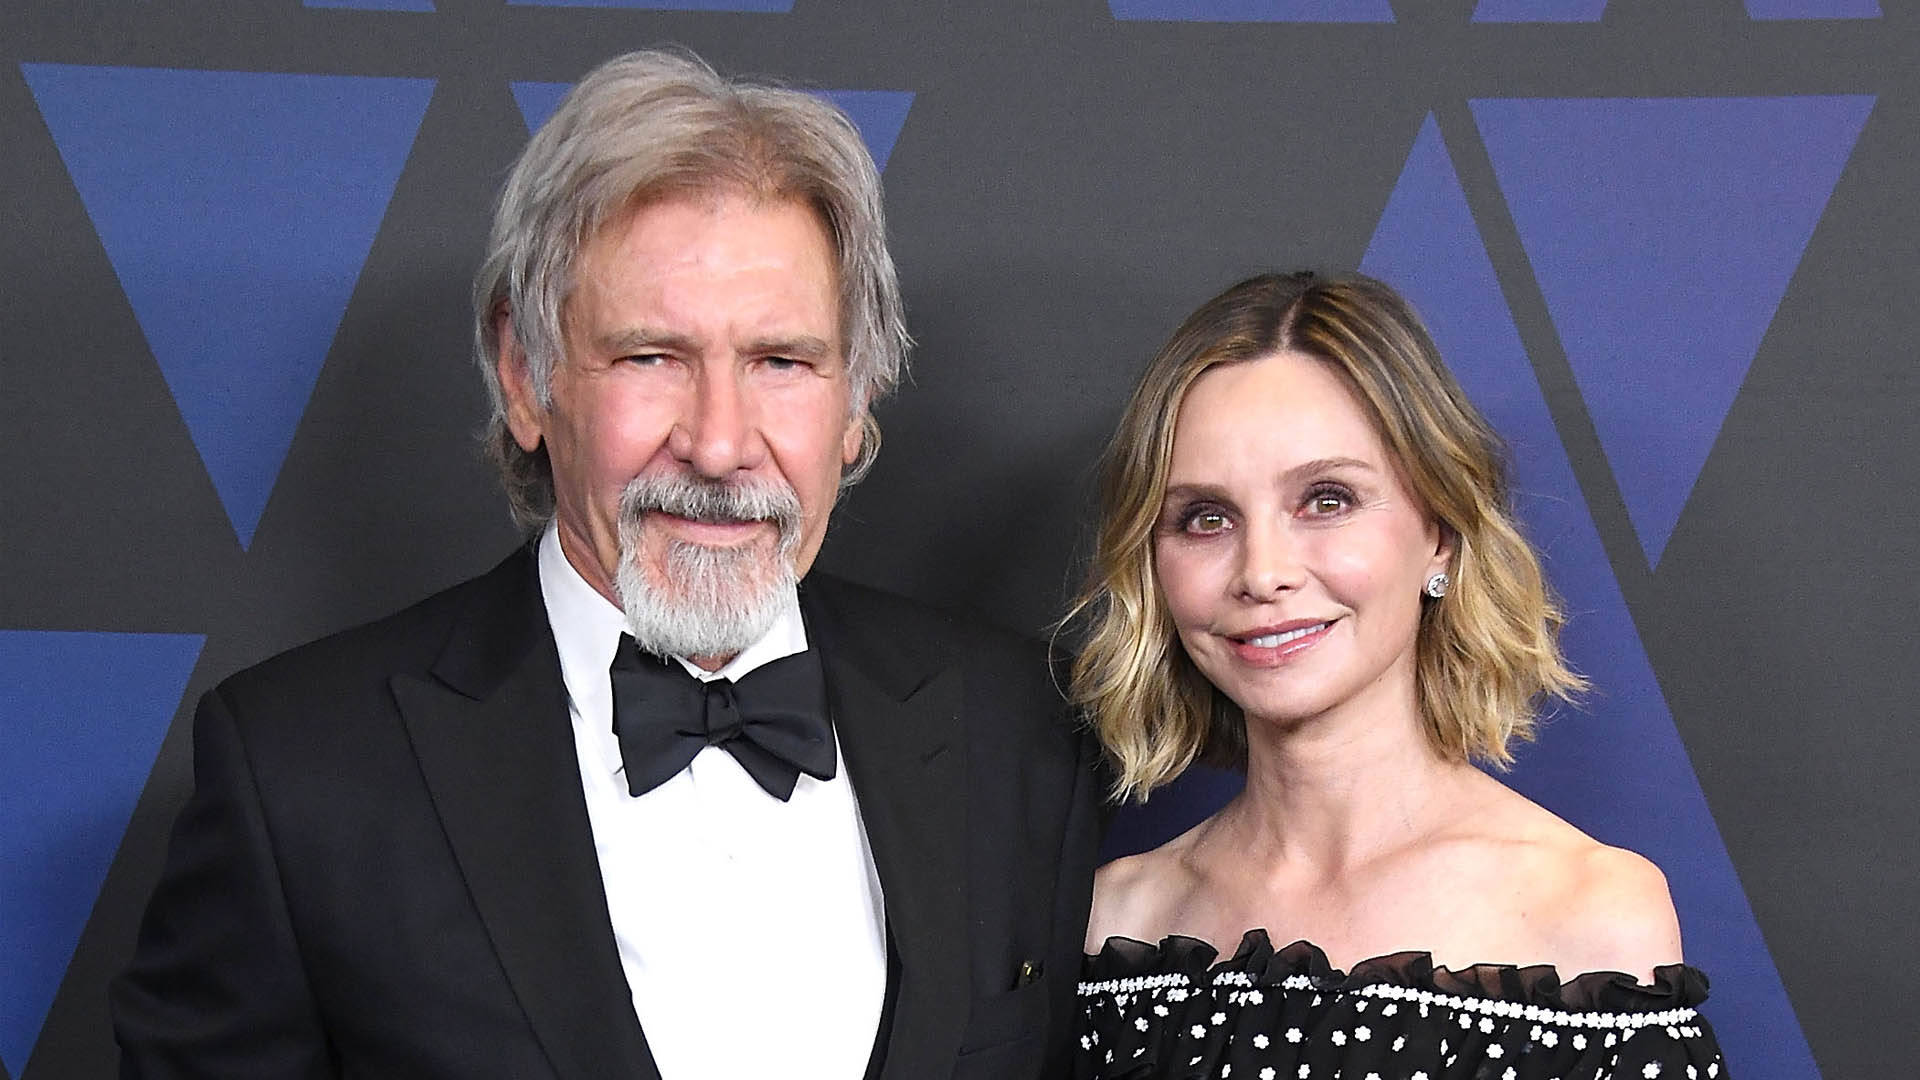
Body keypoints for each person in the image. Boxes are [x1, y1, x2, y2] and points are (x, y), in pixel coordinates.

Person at [112, 49, 1098, 1080]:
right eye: (650, 357)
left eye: (782, 362)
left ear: (856, 403)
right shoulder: (301, 773)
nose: (719, 444)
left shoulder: (1018, 730)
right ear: (526, 377)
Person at [1066, 272, 1726, 1078]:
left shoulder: (1590, 917)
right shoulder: (1117, 920)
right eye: (1206, 518)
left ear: (1440, 535)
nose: (1263, 573)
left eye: (1328, 499)